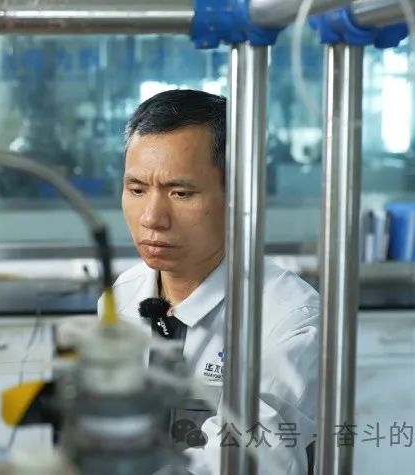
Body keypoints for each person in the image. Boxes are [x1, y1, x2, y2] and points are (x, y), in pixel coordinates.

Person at [101, 89, 319, 474]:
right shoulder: (123, 296)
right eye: (136, 190)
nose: (151, 217)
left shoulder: (287, 315)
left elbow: (250, 456)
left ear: (237, 198)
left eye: (180, 193)